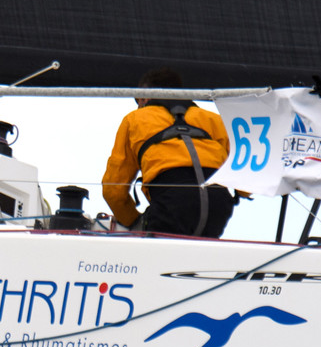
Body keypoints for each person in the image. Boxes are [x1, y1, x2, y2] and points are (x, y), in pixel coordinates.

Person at [101, 68, 235, 237]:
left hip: (171, 203)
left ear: (143, 97)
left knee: (160, 252)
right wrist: (241, 194)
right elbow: (240, 165)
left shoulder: (134, 120)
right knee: (201, 250)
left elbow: (113, 190)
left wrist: (134, 222)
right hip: (218, 204)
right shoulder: (213, 120)